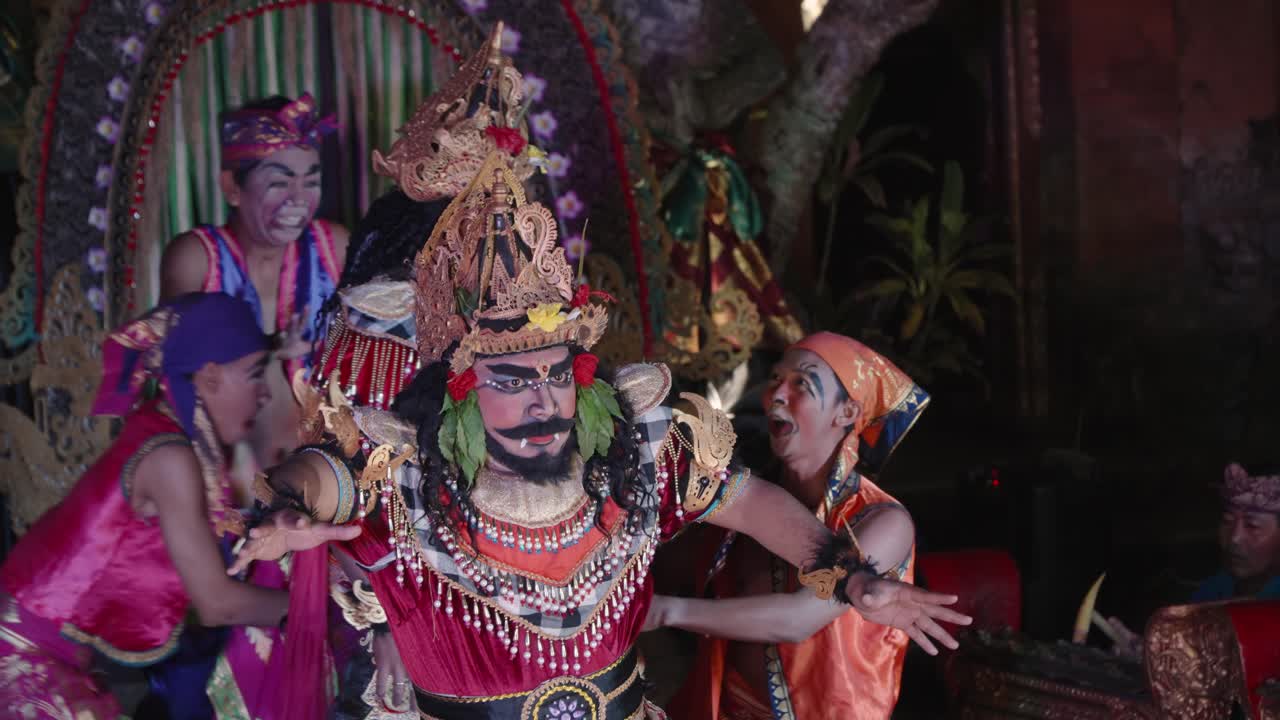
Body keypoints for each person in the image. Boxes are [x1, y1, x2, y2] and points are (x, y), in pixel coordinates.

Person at [229, 146, 969, 718]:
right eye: (513, 382)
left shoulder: (633, 455)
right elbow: (322, 478)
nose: (544, 401)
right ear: (458, 389)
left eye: (559, 375)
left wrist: (852, 576)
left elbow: (747, 504)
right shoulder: (408, 478)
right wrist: (285, 502)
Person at [0, 293, 288, 718]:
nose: (264, 395)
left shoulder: (166, 430)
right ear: (209, 378)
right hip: (24, 652)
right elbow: (216, 602)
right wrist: (319, 607)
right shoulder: (171, 457)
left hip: (53, 650)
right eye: (255, 374)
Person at [665, 331, 927, 719]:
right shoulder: (745, 500)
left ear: (847, 413)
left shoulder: (882, 520)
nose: (776, 395)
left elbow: (798, 619)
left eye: (801, 384)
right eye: (774, 380)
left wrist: (662, 612)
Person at [161, 92, 349, 470]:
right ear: (232, 187)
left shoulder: (334, 247)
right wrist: (272, 350)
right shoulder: (198, 259)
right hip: (222, 482)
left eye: (311, 181)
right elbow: (179, 373)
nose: (300, 199)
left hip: (330, 478)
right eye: (280, 183)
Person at [1107, 461, 1280, 658]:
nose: (1234, 538)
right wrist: (1148, 656)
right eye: (1227, 521)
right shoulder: (1211, 592)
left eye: (1252, 526)